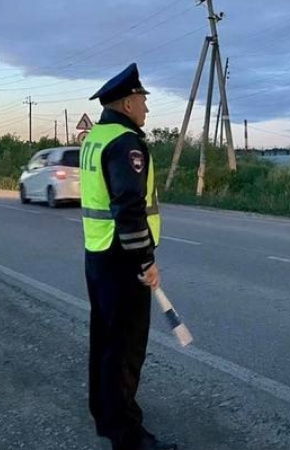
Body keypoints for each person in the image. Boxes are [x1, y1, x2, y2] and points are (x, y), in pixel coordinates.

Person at [81, 62, 176, 450]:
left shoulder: (95, 138)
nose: (146, 109)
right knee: (125, 348)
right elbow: (129, 207)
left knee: (104, 340)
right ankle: (127, 434)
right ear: (126, 103)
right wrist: (146, 263)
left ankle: (105, 415)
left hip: (98, 254)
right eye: (142, 100)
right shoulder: (126, 143)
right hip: (122, 259)